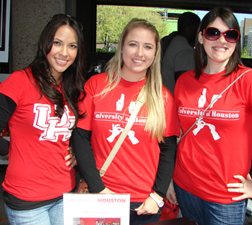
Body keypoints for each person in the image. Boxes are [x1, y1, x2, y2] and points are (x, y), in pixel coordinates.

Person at [169, 7, 252, 225]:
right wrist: (169, 180)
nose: (222, 40)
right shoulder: (185, 81)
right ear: (201, 37)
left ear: (237, 40)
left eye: (230, 34)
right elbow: (180, 134)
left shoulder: (251, 81)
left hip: (225, 198)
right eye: (213, 33)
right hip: (185, 187)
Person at [0, 14, 86, 224]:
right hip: (27, 199)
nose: (64, 53)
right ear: (45, 43)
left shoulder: (74, 88)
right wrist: (18, 152)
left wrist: (75, 152)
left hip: (65, 193)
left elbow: (76, 132)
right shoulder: (19, 82)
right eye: (57, 43)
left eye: (72, 46)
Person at [72, 18, 180, 225]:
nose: (139, 53)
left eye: (148, 47)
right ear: (121, 47)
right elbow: (80, 138)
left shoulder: (163, 97)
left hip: (143, 203)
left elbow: (168, 150)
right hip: (100, 193)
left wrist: (157, 196)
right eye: (133, 44)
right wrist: (98, 189)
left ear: (155, 53)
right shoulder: (96, 85)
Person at [161, 12, 200, 95]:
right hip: (174, 102)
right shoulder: (186, 51)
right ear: (192, 28)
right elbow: (185, 86)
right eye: (198, 30)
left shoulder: (173, 43)